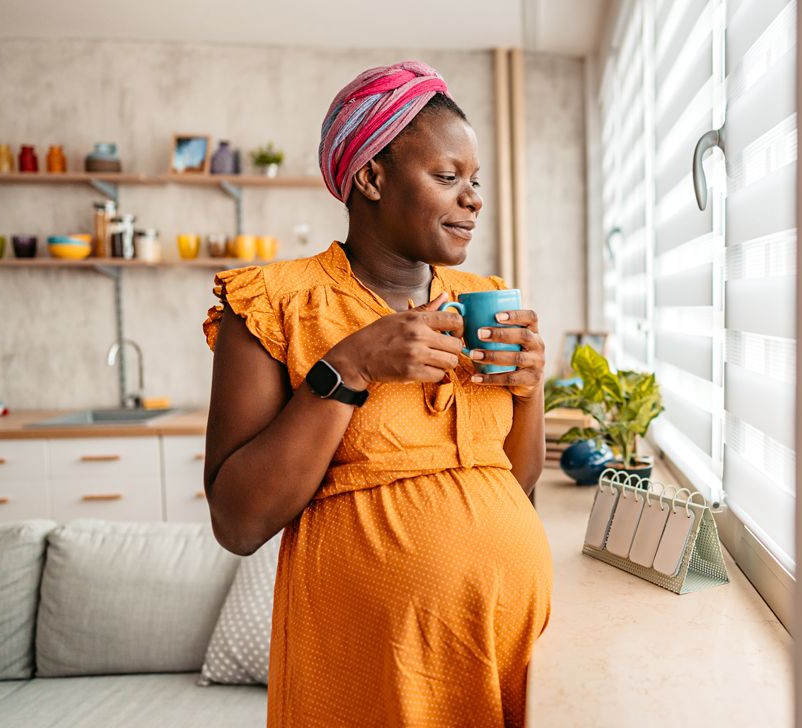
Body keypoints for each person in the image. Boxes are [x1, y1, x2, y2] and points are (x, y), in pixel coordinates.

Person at [202, 61, 552, 727]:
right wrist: (351, 365)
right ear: (371, 177)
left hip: (507, 657)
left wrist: (529, 390)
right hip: (368, 669)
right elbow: (238, 522)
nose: (474, 198)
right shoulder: (274, 303)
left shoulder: (482, 298)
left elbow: (517, 484)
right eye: (448, 177)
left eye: (474, 181)